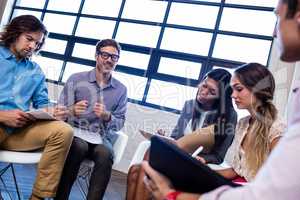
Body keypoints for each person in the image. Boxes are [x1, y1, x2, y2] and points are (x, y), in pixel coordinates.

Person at [142, 0, 300, 197]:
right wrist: (207, 170)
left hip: (249, 190)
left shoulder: (276, 127)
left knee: (168, 182)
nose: (233, 95)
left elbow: (274, 185)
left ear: (258, 90)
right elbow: (237, 170)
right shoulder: (243, 123)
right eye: (232, 89)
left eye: (239, 89)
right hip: (240, 184)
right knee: (150, 170)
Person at [126, 69, 237, 200]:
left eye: (212, 92)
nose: (204, 92)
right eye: (204, 85)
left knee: (141, 169)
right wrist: (165, 137)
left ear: (221, 97)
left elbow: (218, 156)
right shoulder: (190, 105)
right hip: (177, 158)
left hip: (195, 165)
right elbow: (177, 137)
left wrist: (204, 159)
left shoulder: (228, 115)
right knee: (135, 171)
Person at [0, 15, 73, 200]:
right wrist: (2, 116)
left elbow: (43, 104)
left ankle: (39, 197)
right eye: (29, 39)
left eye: (37, 43)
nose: (32, 47)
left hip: (18, 133)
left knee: (63, 131)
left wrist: (53, 112)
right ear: (15, 34)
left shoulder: (35, 71)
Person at [55, 39, 127, 200]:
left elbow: (120, 122)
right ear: (96, 56)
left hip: (100, 136)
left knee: (106, 153)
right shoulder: (76, 78)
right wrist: (72, 110)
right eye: (105, 55)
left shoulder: (121, 89)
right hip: (74, 132)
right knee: (78, 147)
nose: (109, 59)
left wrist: (107, 116)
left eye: (114, 57)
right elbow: (59, 112)